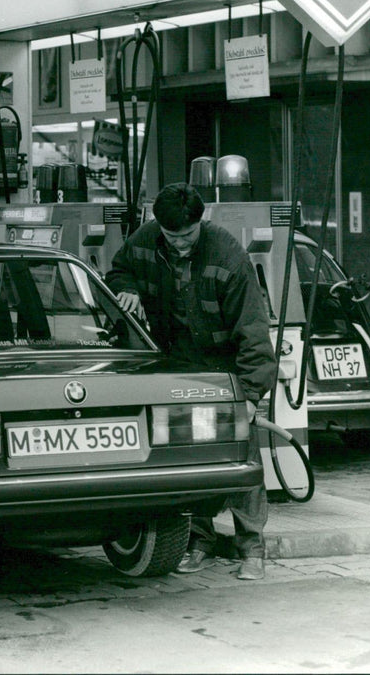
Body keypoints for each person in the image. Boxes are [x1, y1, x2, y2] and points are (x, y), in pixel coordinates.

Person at [105, 181, 277, 581]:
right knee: (189, 458)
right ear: (157, 225)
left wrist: (249, 395)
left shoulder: (227, 254)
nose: (180, 244)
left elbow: (253, 331)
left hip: (224, 371)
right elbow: (118, 269)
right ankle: (200, 542)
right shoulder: (145, 239)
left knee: (241, 458)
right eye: (171, 236)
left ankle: (252, 549)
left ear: (203, 221)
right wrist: (126, 288)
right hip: (175, 368)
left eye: (187, 235)